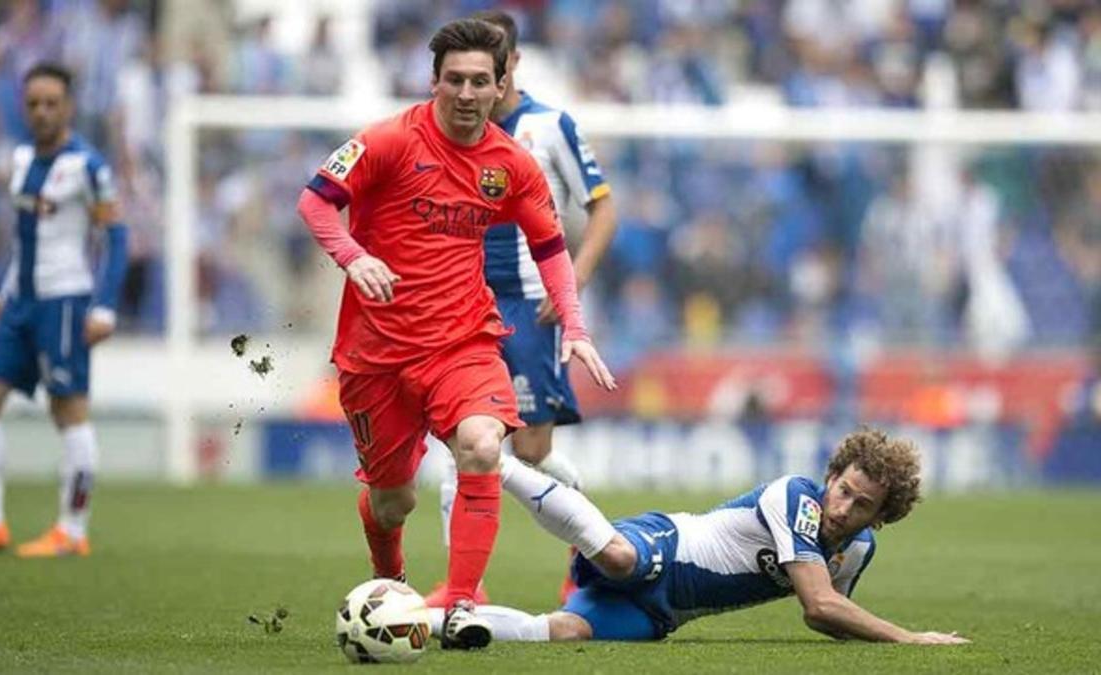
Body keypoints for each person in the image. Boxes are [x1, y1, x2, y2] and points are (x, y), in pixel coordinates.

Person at [295, 18, 616, 650]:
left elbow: (550, 245)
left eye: (479, 82)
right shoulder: (387, 141)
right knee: (392, 503)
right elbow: (314, 202)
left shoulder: (511, 164)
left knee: (480, 445)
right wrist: (355, 257)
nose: (466, 94)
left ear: (502, 86)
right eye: (454, 80)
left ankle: (465, 603)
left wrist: (573, 323)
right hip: (376, 353)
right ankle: (392, 586)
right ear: (433, 82)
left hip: (462, 343)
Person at [427, 428, 970, 645]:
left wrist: (862, 631)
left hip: (662, 613)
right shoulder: (796, 497)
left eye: (862, 505)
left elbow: (831, 615)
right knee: (617, 556)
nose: (842, 506)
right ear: (831, 476)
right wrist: (908, 638)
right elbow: (820, 604)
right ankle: (495, 465)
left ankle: (418, 625)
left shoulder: (858, 550)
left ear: (881, 517)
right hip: (663, 546)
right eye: (843, 489)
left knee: (563, 632)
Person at [428, 9, 619, 608]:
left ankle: (586, 545)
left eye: (496, 63)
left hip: (532, 306)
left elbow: (603, 208)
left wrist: (573, 286)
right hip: (467, 310)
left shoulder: (549, 126)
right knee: (466, 447)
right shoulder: (446, 126)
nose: (485, 79)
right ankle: (465, 589)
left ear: (511, 63)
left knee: (532, 453)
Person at [0, 63, 129, 558]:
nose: (41, 112)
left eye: (51, 103)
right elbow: (23, 239)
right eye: (34, 103)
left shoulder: (87, 165)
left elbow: (117, 237)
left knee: (68, 411)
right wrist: (2, 291)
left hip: (64, 302)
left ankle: (72, 531)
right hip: (20, 302)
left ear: (68, 107)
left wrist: (104, 306)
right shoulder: (20, 161)